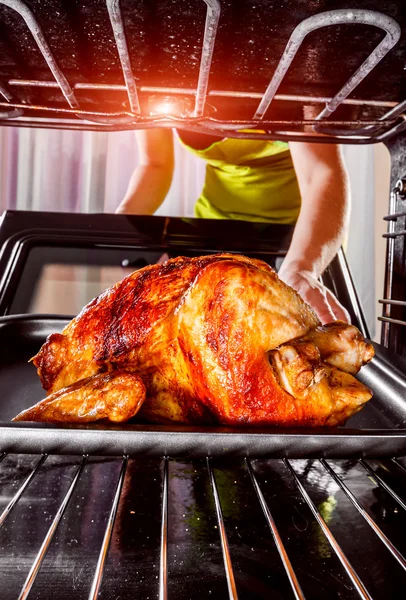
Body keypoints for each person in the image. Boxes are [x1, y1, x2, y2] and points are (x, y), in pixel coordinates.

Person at [116, 128, 350, 324]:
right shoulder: (158, 81)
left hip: (299, 239)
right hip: (212, 228)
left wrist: (301, 268)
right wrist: (120, 226)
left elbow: (320, 173)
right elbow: (154, 164)